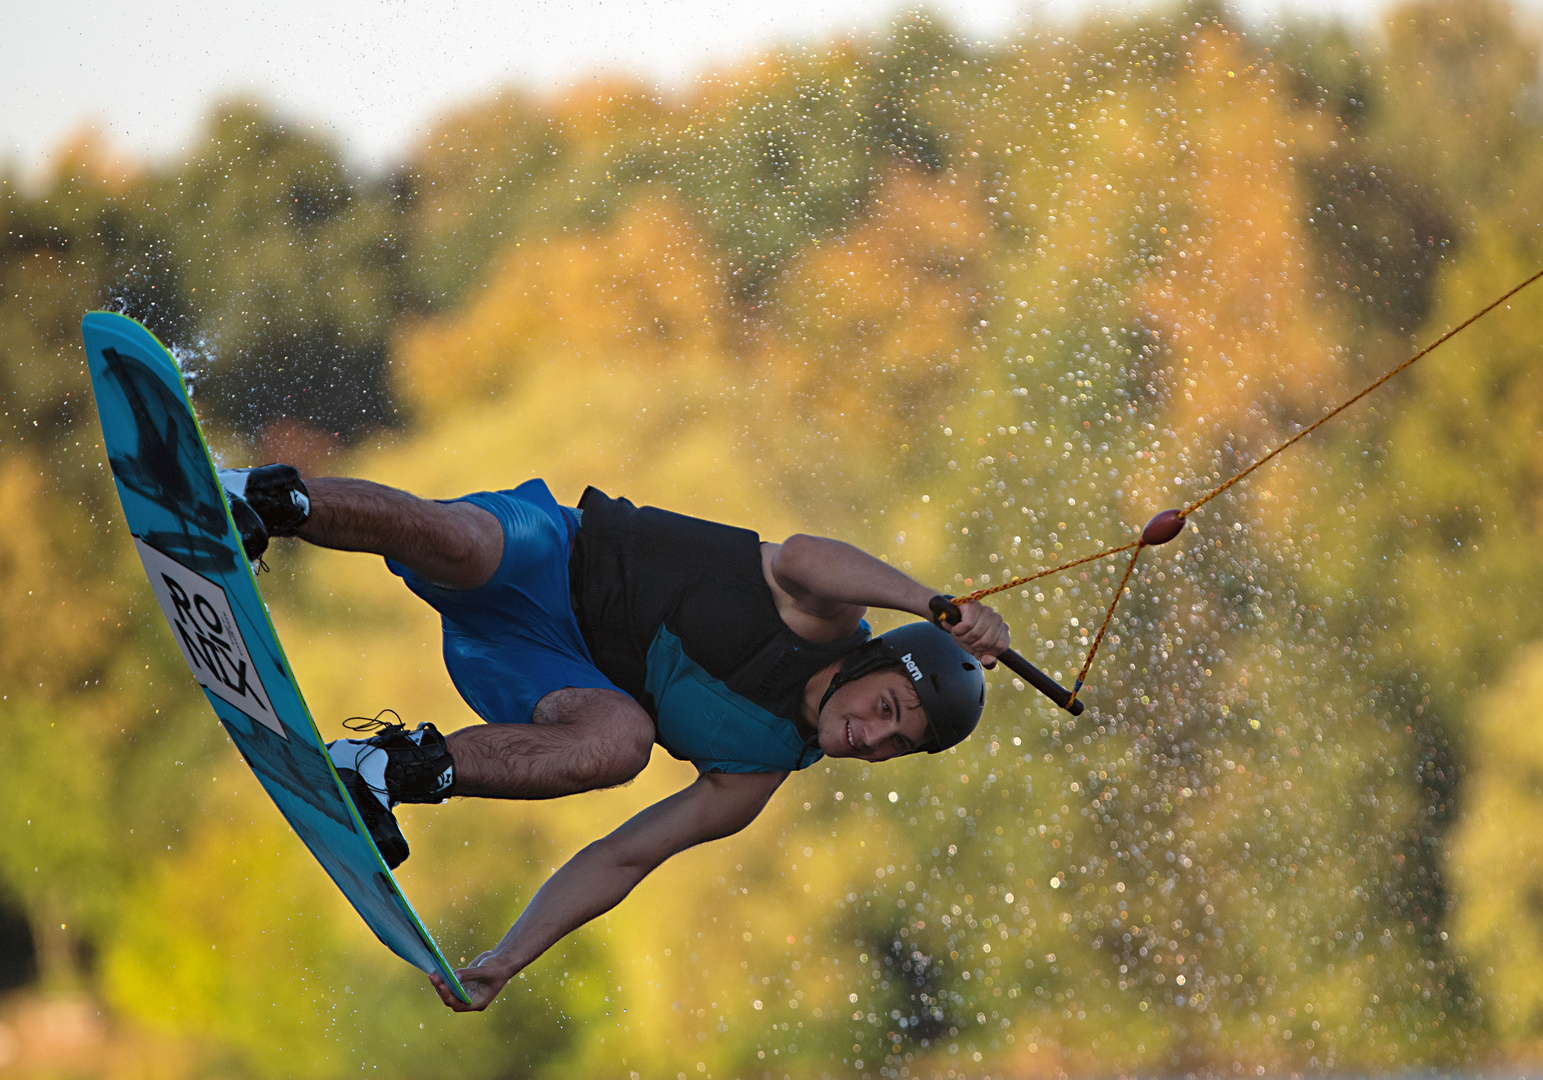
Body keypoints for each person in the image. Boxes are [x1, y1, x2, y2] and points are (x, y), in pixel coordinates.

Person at [218, 464, 1011, 1012]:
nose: (873, 739)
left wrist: (509, 957)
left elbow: (620, 858)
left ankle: (378, 769)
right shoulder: (821, 614)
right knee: (460, 542)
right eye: (885, 707)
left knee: (621, 744)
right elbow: (805, 553)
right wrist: (928, 601)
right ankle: (262, 501)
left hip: (529, 667)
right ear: (873, 660)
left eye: (896, 743)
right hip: (545, 553)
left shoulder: (758, 772)